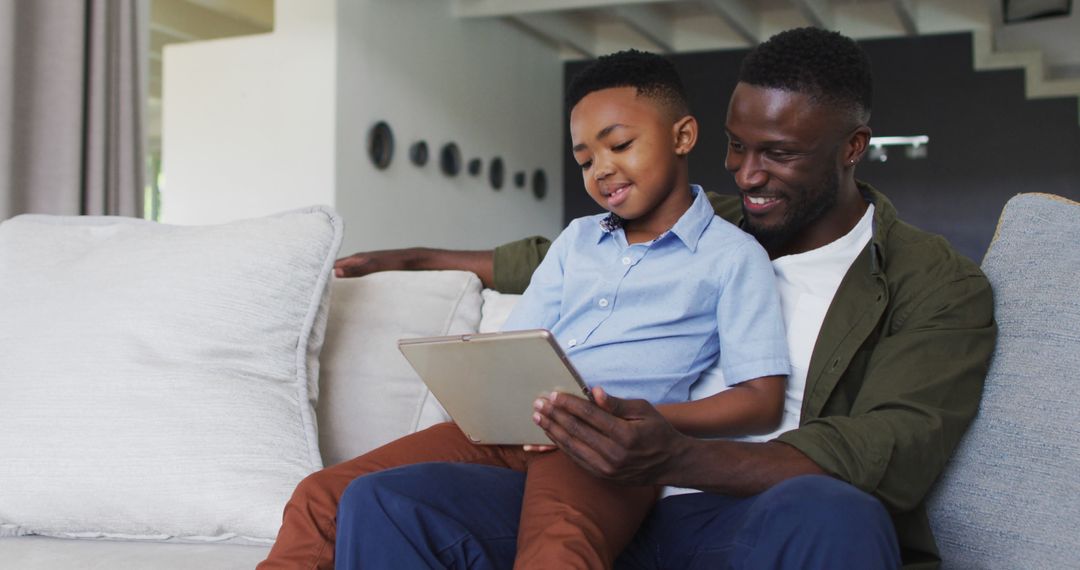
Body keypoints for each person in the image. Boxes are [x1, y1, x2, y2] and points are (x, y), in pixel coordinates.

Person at [328, 27, 997, 569]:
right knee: (385, 501)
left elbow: (892, 448)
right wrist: (416, 258)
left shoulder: (935, 283)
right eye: (737, 147)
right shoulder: (721, 221)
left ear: (854, 148)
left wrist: (673, 453)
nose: (747, 172)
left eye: (779, 153)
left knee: (835, 511)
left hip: (748, 514)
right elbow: (557, 258)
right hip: (613, 492)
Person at [259, 51, 792, 570]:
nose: (602, 169)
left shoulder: (732, 255)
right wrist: (478, 387)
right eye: (585, 159)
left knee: (557, 547)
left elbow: (761, 401)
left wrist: (642, 419)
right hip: (509, 429)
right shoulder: (577, 241)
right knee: (322, 495)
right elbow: (515, 344)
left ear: (682, 136)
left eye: (621, 145)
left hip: (603, 444)